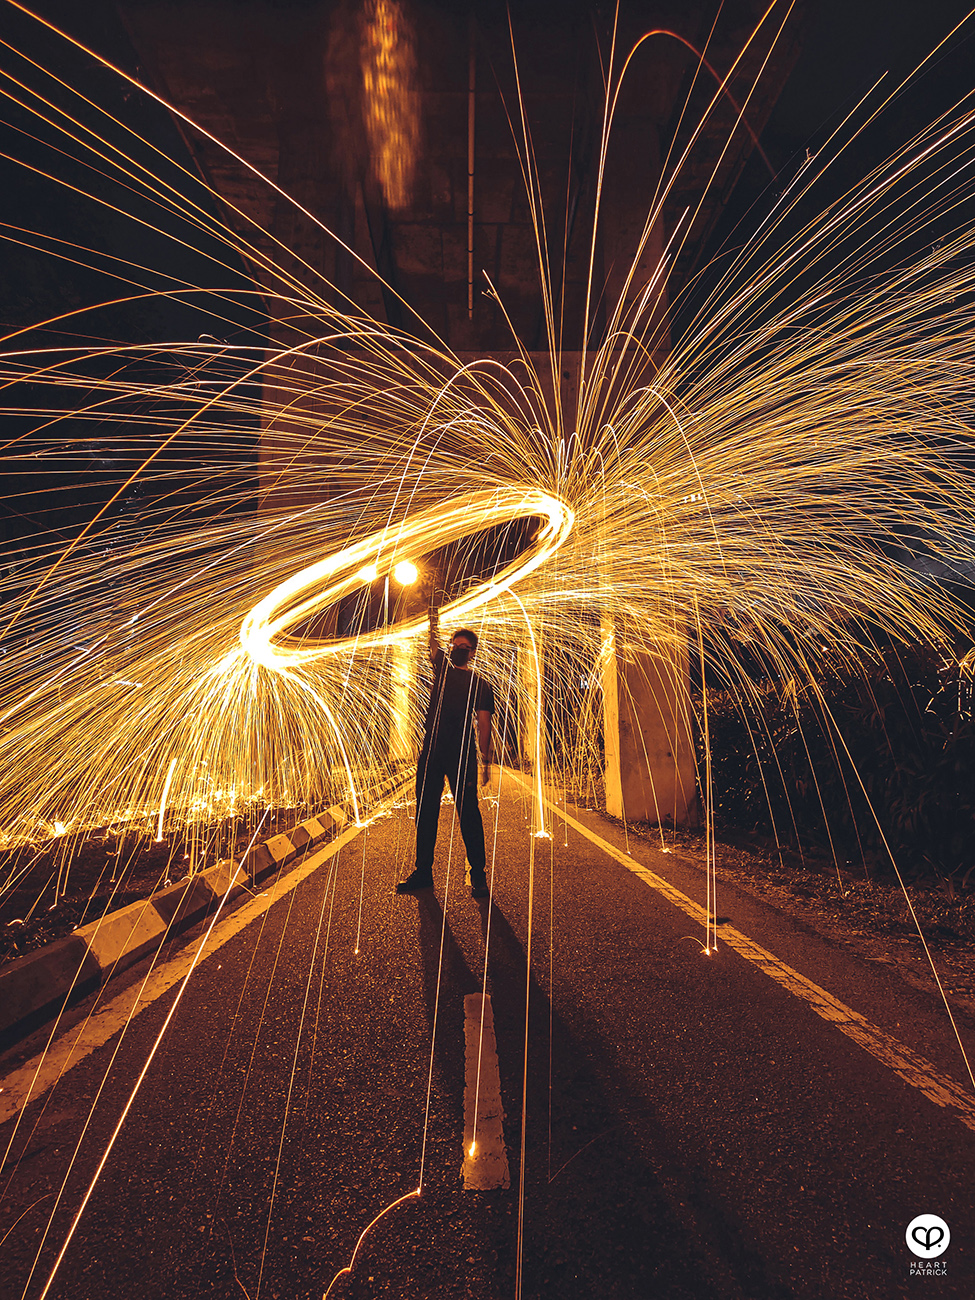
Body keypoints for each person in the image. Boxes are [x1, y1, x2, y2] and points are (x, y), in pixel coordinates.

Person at [396, 609, 494, 899]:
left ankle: (478, 875)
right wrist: (433, 620)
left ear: (473, 653)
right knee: (426, 812)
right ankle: (423, 873)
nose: (459, 651)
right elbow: (432, 646)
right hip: (432, 751)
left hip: (462, 754)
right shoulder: (442, 670)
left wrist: (486, 761)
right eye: (455, 647)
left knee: (469, 814)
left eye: (464, 648)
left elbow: (484, 723)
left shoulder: (481, 683)